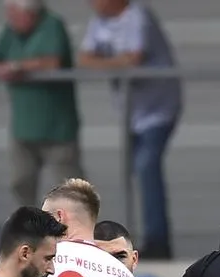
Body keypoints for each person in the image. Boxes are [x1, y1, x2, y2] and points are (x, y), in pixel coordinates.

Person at [80, 0, 182, 260]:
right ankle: (143, 236)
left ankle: (158, 241)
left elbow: (134, 58)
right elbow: (84, 58)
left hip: (157, 108)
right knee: (137, 170)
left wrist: (106, 62)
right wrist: (118, 63)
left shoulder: (137, 16)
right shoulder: (99, 22)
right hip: (131, 113)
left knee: (147, 166)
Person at [0, 0, 82, 208]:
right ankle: (29, 231)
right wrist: (1, 69)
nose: (9, 18)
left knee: (70, 190)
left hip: (57, 127)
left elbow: (52, 62)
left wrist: (18, 66)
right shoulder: (12, 31)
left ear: (30, 13)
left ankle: (77, 235)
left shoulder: (52, 25)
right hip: (23, 128)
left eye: (14, 13)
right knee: (21, 183)